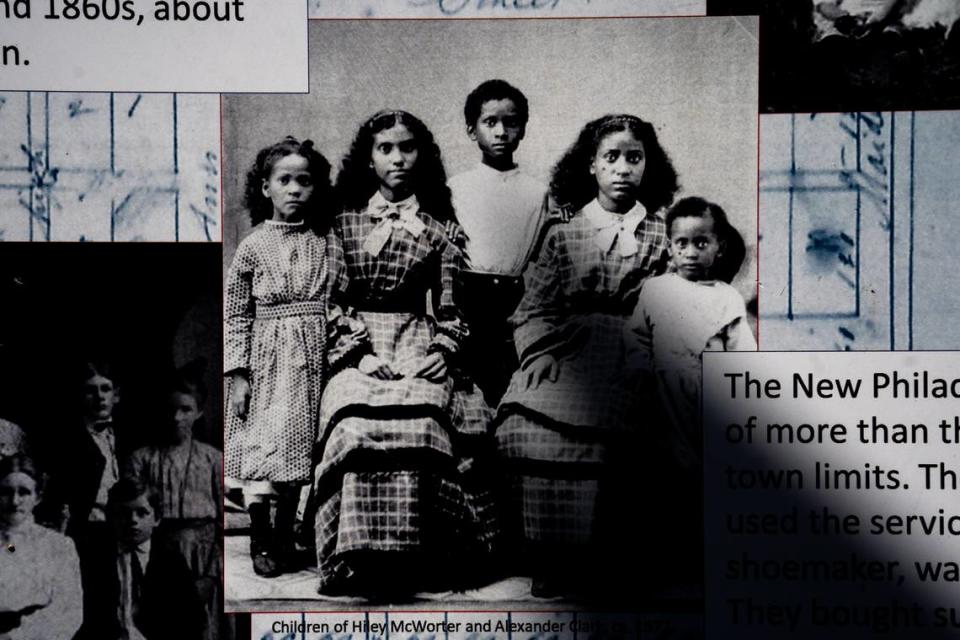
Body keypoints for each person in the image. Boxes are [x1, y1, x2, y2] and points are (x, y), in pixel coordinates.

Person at [313, 110, 499, 597]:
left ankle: (423, 554)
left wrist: (443, 346)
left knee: (421, 425)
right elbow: (332, 299)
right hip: (358, 344)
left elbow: (453, 307)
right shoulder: (343, 223)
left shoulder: (439, 231)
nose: (398, 158)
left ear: (423, 155)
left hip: (416, 336)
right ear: (369, 159)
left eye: (407, 147)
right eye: (385, 149)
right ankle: (356, 557)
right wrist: (357, 354)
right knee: (356, 427)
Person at [494, 114, 678, 598]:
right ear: (591, 167)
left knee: (629, 427)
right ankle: (549, 553)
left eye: (633, 158)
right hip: (566, 349)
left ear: (648, 167)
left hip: (636, 348)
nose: (622, 169)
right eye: (610, 158)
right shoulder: (564, 233)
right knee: (529, 422)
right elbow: (534, 307)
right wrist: (536, 354)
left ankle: (610, 555)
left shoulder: (661, 236)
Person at [224, 136, 336, 577]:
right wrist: (238, 374)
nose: (294, 189)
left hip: (313, 355)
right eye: (284, 180)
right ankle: (260, 535)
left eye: (303, 181)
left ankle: (288, 531)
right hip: (266, 359)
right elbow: (235, 314)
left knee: (299, 449)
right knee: (263, 446)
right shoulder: (252, 246)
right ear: (265, 187)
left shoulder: (323, 242)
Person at [626, 197, 755, 465]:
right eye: (681, 243)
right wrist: (639, 368)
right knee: (666, 456)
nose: (691, 252)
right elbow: (636, 335)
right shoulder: (656, 289)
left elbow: (742, 352)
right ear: (670, 247)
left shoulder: (727, 297)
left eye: (701, 243)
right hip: (663, 387)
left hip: (708, 388)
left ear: (719, 248)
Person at [448, 79, 551, 406]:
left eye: (511, 122)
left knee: (509, 388)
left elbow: (540, 251)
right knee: (466, 391)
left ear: (522, 129)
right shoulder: (455, 188)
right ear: (471, 129)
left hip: (512, 298)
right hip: (469, 296)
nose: (501, 131)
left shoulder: (538, 193)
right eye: (490, 122)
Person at [125, 363, 221, 640]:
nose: (176, 417)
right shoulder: (141, 459)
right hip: (158, 555)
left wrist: (213, 575)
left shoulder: (213, 459)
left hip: (203, 558)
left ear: (199, 412)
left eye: (186, 410)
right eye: (170, 410)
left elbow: (222, 523)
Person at [42, 360, 127, 640]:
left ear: (117, 395)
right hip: (86, 537)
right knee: (91, 612)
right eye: (91, 390)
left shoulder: (123, 438)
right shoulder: (67, 442)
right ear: (81, 396)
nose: (100, 396)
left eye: (105, 389)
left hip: (123, 534)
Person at [0, 454, 82, 640]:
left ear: (38, 497)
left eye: (24, 492)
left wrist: (15, 637)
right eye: (5, 492)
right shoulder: (6, 544)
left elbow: (69, 611)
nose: (14, 501)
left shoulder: (59, 546)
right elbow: (10, 548)